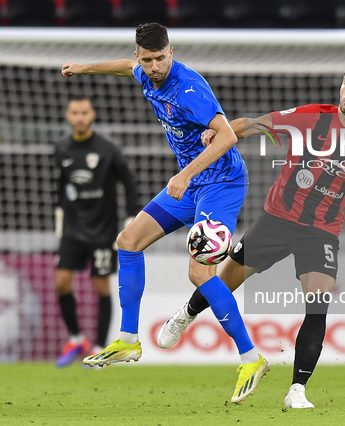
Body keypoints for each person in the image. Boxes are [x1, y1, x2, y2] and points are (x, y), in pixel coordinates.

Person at [157, 63, 345, 408]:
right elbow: (256, 124)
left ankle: (297, 390)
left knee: (317, 308)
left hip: (322, 232)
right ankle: (186, 314)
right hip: (276, 221)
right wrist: (222, 133)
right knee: (225, 282)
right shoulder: (313, 117)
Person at [61, 23, 268, 402]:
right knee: (129, 240)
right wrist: (85, 68)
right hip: (189, 186)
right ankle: (127, 340)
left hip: (220, 184)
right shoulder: (142, 69)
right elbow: (126, 67)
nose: (155, 66)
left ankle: (251, 357)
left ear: (171, 52)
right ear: (141, 54)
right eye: (149, 59)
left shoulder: (189, 88)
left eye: (162, 58)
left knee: (198, 271)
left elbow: (228, 135)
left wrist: (186, 173)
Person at [54, 94, 139, 368]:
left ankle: (101, 346)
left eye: (84, 113)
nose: (79, 117)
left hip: (103, 230)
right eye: (74, 112)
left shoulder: (108, 149)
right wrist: (59, 217)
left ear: (92, 116)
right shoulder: (61, 149)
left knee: (101, 285)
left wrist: (130, 218)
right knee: (61, 282)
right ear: (69, 116)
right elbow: (59, 187)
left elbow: (129, 182)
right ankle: (76, 338)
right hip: (73, 229)